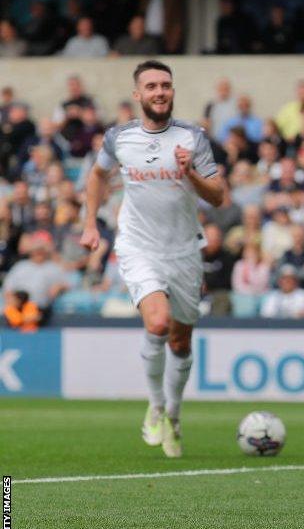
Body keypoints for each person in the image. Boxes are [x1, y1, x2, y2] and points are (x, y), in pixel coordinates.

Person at [79, 60, 226, 459]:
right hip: (138, 246)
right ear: (138, 95)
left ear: (172, 91)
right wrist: (90, 222)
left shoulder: (193, 138)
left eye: (166, 85)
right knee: (158, 322)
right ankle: (155, 406)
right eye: (152, 86)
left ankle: (173, 416)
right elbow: (96, 177)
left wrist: (189, 173)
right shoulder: (118, 138)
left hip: (184, 251)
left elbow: (218, 196)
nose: (160, 91)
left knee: (181, 340)